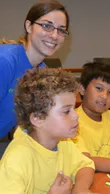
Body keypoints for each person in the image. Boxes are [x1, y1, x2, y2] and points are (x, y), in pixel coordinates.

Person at [0, 68, 103, 194]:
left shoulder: (63, 142)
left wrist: (80, 189)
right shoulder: (17, 157)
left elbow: (85, 166)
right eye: (66, 111)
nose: (76, 115)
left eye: (73, 108)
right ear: (38, 119)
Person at [0, 0, 70, 138]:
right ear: (29, 26)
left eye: (61, 30)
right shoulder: (5, 61)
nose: (54, 35)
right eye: (46, 26)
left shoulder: (41, 72)